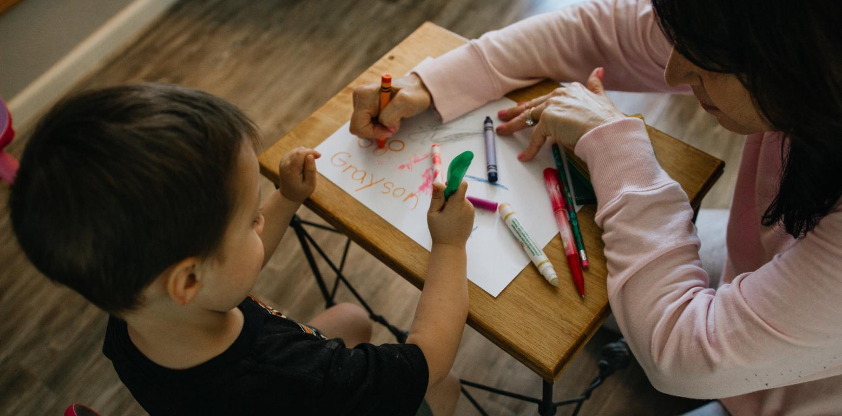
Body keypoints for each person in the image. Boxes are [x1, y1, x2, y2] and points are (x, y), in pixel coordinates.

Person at [349, 0, 842, 415]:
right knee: (608, 299)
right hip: (762, 264)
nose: (672, 71)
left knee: (630, 315)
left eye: (703, 59)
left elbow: (682, 355)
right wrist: (432, 82)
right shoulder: (793, 44)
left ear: (798, 60)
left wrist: (616, 145)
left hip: (790, 398)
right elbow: (602, 30)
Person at [9, 83, 474, 416]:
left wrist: (286, 198)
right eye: (253, 220)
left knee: (352, 318)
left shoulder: (134, 309)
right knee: (445, 387)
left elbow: (225, 270)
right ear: (188, 279)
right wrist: (450, 243)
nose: (261, 221)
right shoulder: (293, 373)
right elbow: (429, 358)